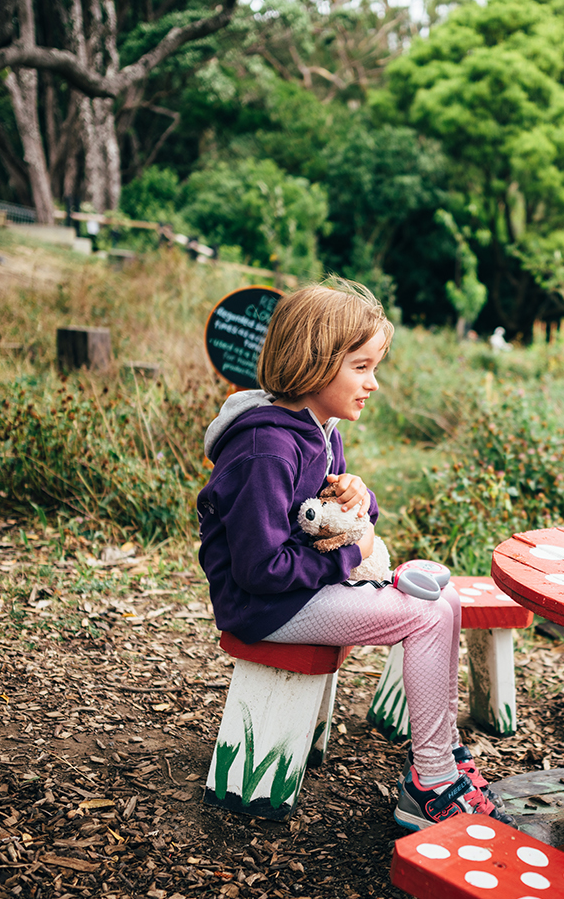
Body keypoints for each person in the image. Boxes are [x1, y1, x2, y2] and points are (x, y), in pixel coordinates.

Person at [196, 279, 510, 830]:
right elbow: (258, 569)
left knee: (444, 595)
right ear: (315, 364)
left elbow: (325, 515)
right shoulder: (265, 448)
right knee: (425, 614)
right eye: (361, 367)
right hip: (265, 608)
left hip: (299, 593)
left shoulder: (320, 431)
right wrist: (353, 553)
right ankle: (432, 779)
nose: (374, 383)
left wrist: (358, 498)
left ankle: (444, 758)